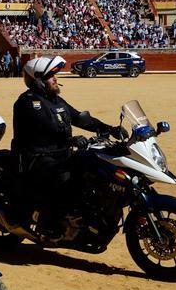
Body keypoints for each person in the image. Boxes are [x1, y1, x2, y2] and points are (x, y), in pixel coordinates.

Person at [11, 56, 119, 237]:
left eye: (55, 75)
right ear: (38, 80)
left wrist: (108, 128)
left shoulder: (56, 101)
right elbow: (40, 134)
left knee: (91, 168)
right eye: (51, 76)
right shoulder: (27, 103)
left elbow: (78, 118)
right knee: (65, 178)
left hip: (60, 154)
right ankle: (48, 223)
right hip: (36, 158)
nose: (56, 79)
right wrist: (69, 141)